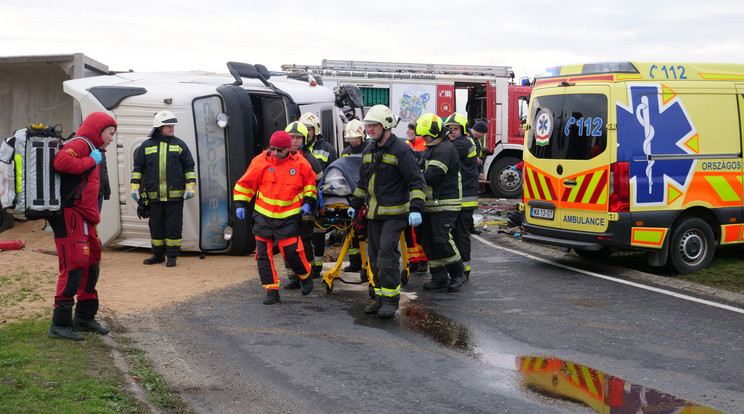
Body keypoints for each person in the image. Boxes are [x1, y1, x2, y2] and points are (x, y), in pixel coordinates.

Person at [348, 104, 426, 319]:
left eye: (374, 125)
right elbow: (362, 183)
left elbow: (417, 182)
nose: (369, 130)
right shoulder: (369, 150)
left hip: (394, 215)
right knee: (373, 259)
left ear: (386, 126)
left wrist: (416, 208)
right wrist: (355, 205)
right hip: (373, 216)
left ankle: (392, 301)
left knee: (386, 257)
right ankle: (381, 298)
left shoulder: (402, 150)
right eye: (368, 126)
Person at [48, 111, 117, 340]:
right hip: (70, 215)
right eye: (110, 133)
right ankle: (60, 324)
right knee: (74, 267)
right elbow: (61, 161)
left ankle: (84, 318)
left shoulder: (92, 148)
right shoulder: (80, 144)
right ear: (99, 129)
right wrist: (91, 160)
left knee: (91, 264)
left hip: (85, 217)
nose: (110, 138)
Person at [233, 130, 318, 305]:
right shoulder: (260, 161)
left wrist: (308, 201)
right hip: (263, 216)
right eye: (274, 149)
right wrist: (241, 203)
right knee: (263, 255)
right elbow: (245, 184)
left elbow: (310, 183)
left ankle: (305, 275)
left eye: (280, 150)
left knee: (292, 253)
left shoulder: (301, 163)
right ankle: (271, 289)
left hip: (288, 216)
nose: (276, 153)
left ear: (288, 148)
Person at [130, 111, 196, 267]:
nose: (172, 128)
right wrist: (134, 187)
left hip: (175, 196)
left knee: (173, 226)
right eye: (169, 125)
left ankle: (172, 256)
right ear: (159, 127)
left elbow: (189, 166)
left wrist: (191, 186)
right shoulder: (146, 145)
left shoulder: (179, 144)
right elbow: (138, 168)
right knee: (156, 226)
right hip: (154, 195)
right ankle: (158, 255)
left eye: (173, 125)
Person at [416, 113, 466, 292]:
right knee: (427, 240)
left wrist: (413, 178)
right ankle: (439, 276)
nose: (424, 139)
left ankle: (457, 274)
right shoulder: (433, 146)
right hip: (431, 203)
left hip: (446, 201)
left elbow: (433, 174)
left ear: (436, 132)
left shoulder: (444, 148)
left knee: (441, 238)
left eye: (427, 136)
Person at [283, 121, 322, 290]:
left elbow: (318, 184)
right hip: (284, 208)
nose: (294, 141)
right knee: (286, 242)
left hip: (306, 208)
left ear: (304, 139)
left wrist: (310, 204)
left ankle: (308, 271)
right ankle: (293, 277)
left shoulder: (311, 160)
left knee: (304, 241)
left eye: (298, 138)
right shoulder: (280, 159)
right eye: (291, 138)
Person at [300, 112, 339, 278]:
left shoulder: (327, 149)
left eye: (309, 129)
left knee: (318, 233)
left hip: (320, 198)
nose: (306, 132)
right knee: (302, 235)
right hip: (301, 198)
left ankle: (317, 268)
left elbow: (334, 174)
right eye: (304, 129)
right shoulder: (299, 148)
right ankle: (307, 266)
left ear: (315, 130)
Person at [445, 113, 479, 279]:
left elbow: (445, 156)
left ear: (463, 130)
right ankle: (458, 267)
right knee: (454, 234)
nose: (451, 132)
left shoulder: (462, 144)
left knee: (461, 234)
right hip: (459, 195)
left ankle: (464, 269)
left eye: (455, 129)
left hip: (464, 197)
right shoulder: (460, 142)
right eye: (449, 129)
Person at [340, 120, 366, 272]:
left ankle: (366, 262)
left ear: (362, 137)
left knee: (365, 232)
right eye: (350, 139)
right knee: (350, 231)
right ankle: (355, 262)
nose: (352, 142)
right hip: (350, 195)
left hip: (364, 195)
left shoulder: (369, 150)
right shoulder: (345, 152)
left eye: (355, 138)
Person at [404, 121, 428, 273]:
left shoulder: (424, 146)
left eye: (411, 129)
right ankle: (413, 260)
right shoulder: (406, 145)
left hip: (419, 190)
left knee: (420, 231)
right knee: (408, 231)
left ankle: (423, 260)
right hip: (406, 191)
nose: (408, 131)